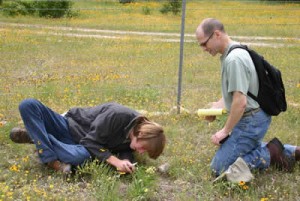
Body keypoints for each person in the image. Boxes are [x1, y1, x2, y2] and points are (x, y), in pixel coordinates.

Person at [195, 18, 299, 177]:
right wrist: (217, 106)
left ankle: (271, 153)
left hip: (251, 121)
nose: (203, 48)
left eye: (204, 43)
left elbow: (241, 102)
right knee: (239, 152)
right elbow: (238, 92)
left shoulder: (234, 59)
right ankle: (291, 151)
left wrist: (225, 131)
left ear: (216, 34)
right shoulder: (232, 52)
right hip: (252, 118)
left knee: (219, 168)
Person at [10, 98, 166, 174]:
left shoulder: (133, 137)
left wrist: (126, 163)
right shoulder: (118, 115)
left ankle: (39, 139)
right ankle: (49, 155)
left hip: (78, 147)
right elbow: (90, 142)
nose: (141, 153)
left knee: (81, 158)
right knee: (28, 105)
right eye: (144, 148)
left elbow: (126, 150)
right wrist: (114, 160)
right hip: (69, 127)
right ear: (141, 134)